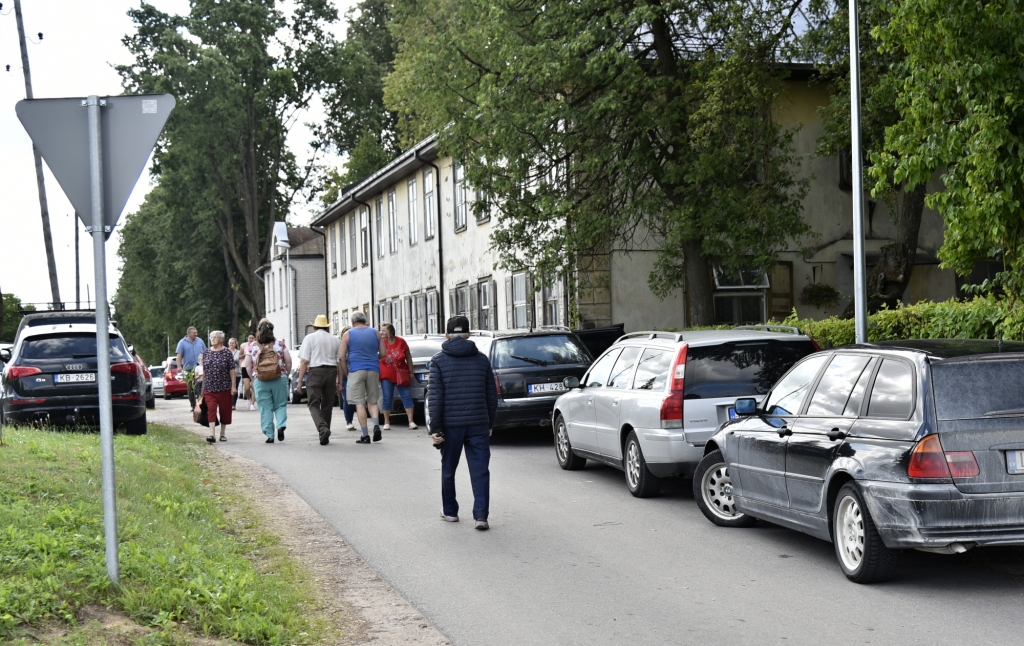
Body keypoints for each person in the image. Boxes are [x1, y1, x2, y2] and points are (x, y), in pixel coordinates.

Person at [427, 316, 498, 530]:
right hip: (478, 423)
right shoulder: (482, 360)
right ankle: (481, 516)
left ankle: (450, 511)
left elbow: (435, 398)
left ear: (447, 335)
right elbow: (491, 396)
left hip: (451, 425)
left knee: (448, 469)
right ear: (469, 334)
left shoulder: (438, 361)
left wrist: (436, 428)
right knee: (480, 471)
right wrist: (490, 423)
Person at [338, 311, 386, 444]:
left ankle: (365, 435)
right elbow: (383, 353)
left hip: (356, 370)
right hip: (373, 370)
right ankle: (376, 425)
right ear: (365, 321)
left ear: (353, 322)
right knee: (373, 401)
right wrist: (372, 359)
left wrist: (346, 371)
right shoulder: (376, 333)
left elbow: (341, 356)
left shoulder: (348, 334)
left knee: (359, 403)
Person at [295, 315, 342, 445]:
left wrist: (300, 381)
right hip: (331, 371)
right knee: (327, 404)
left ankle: (322, 428)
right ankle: (325, 431)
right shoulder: (335, 339)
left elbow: (304, 361)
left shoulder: (310, 338)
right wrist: (339, 381)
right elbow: (339, 361)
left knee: (313, 403)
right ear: (327, 327)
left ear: (314, 326)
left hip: (316, 371)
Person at [250, 319, 292, 443]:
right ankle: (280, 425)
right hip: (279, 377)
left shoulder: (253, 346)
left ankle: (270, 434)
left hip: (261, 379)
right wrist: (286, 373)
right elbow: (288, 361)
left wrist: (253, 378)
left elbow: (247, 364)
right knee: (280, 404)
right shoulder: (280, 344)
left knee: (265, 407)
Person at [379, 322, 418, 431]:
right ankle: (387, 422)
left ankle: (411, 421)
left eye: (384, 330)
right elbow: (376, 356)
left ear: (390, 331)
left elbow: (408, 357)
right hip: (386, 374)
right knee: (387, 397)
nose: (382, 332)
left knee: (406, 396)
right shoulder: (381, 343)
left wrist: (411, 372)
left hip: (401, 373)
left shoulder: (401, 342)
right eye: (381, 330)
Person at [199, 331, 237, 443]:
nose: (212, 339)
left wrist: (233, 386)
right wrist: (202, 388)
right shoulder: (206, 352)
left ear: (221, 339)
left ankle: (222, 433)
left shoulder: (227, 352)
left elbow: (232, 370)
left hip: (224, 387)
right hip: (210, 387)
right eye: (211, 337)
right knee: (211, 409)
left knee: (225, 411)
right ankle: (212, 434)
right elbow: (204, 371)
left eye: (215, 337)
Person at [176, 326, 207, 409]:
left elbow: (206, 352)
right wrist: (179, 366)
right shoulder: (182, 342)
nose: (196, 334)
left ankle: (200, 403)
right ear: (189, 334)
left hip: (200, 367)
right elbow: (179, 355)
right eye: (194, 333)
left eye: (196, 333)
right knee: (190, 387)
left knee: (201, 385)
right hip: (188, 368)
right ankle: (193, 405)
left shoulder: (200, 341)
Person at [337, 326, 358, 430]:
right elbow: (339, 362)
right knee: (347, 399)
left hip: (357, 373)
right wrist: (340, 380)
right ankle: (349, 421)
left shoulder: (356, 346)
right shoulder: (340, 346)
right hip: (345, 376)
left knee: (358, 399)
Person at [240, 333, 256, 411]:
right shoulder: (244, 345)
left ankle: (252, 404)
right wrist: (245, 355)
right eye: (249, 338)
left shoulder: (256, 346)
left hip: (254, 367)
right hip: (245, 367)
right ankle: (248, 398)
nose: (251, 339)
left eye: (252, 338)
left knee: (253, 387)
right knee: (247, 387)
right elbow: (239, 356)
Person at [228, 337, 240, 410]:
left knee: (235, 388)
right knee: (228, 388)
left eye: (233, 343)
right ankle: (228, 403)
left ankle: (233, 403)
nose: (231, 344)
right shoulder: (226, 351)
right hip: (227, 373)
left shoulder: (238, 352)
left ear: (235, 344)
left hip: (237, 372)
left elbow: (240, 361)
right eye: (230, 343)